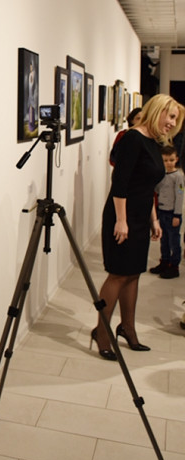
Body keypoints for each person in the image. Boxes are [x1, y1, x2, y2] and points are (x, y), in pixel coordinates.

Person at [91, 94, 184, 360]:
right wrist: (121, 221)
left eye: (176, 120)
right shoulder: (133, 138)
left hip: (142, 216)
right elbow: (120, 183)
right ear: (158, 111)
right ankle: (102, 333)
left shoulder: (154, 142)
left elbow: (147, 186)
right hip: (124, 216)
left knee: (134, 274)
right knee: (118, 275)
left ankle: (127, 328)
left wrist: (153, 219)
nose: (172, 123)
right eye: (171, 116)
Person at [150, 145, 184, 279]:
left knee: (173, 241)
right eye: (165, 160)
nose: (168, 163)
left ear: (176, 159)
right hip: (162, 212)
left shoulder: (178, 177)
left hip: (172, 214)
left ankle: (174, 266)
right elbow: (157, 190)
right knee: (164, 240)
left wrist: (177, 215)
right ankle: (164, 261)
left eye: (171, 160)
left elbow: (180, 196)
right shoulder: (162, 175)